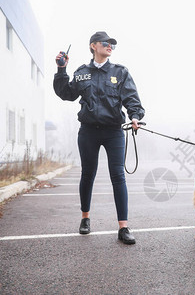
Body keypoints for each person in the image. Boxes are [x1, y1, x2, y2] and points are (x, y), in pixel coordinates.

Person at [53, 31, 145, 244]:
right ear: (93, 46)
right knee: (88, 174)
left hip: (113, 131)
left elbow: (132, 99)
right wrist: (61, 69)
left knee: (118, 176)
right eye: (105, 43)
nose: (110, 46)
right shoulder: (82, 72)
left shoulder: (120, 72)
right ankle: (85, 218)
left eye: (112, 43)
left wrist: (135, 116)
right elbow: (66, 93)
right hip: (88, 131)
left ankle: (124, 228)